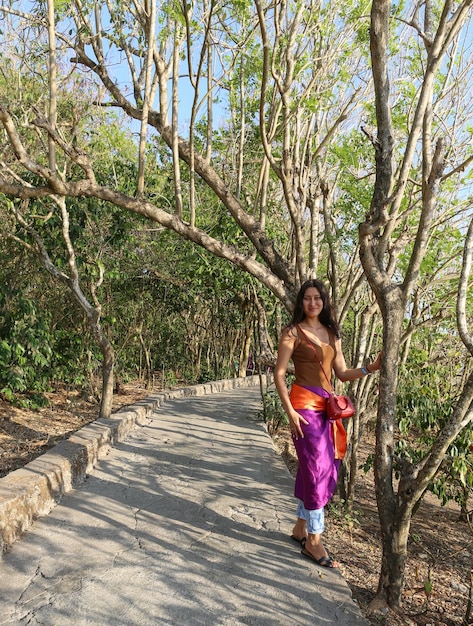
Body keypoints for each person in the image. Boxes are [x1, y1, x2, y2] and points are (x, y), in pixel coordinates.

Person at [274, 279, 381, 568]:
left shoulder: (332, 333)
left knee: (320, 465)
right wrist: (290, 412)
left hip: (327, 408)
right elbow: (280, 374)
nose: (312, 303)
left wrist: (370, 368)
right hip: (303, 406)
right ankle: (314, 539)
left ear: (324, 301)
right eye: (307, 298)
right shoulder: (292, 333)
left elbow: (342, 373)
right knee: (318, 467)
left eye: (317, 298)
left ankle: (299, 527)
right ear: (301, 303)